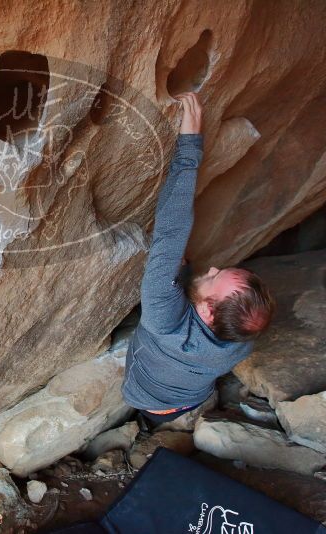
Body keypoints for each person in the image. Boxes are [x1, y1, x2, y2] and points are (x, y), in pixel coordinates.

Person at [121, 92, 275, 425]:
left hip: (141, 394)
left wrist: (190, 145)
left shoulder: (162, 316)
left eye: (214, 279)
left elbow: (171, 228)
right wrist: (185, 272)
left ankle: (145, 425)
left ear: (206, 310)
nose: (214, 268)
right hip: (192, 398)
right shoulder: (240, 343)